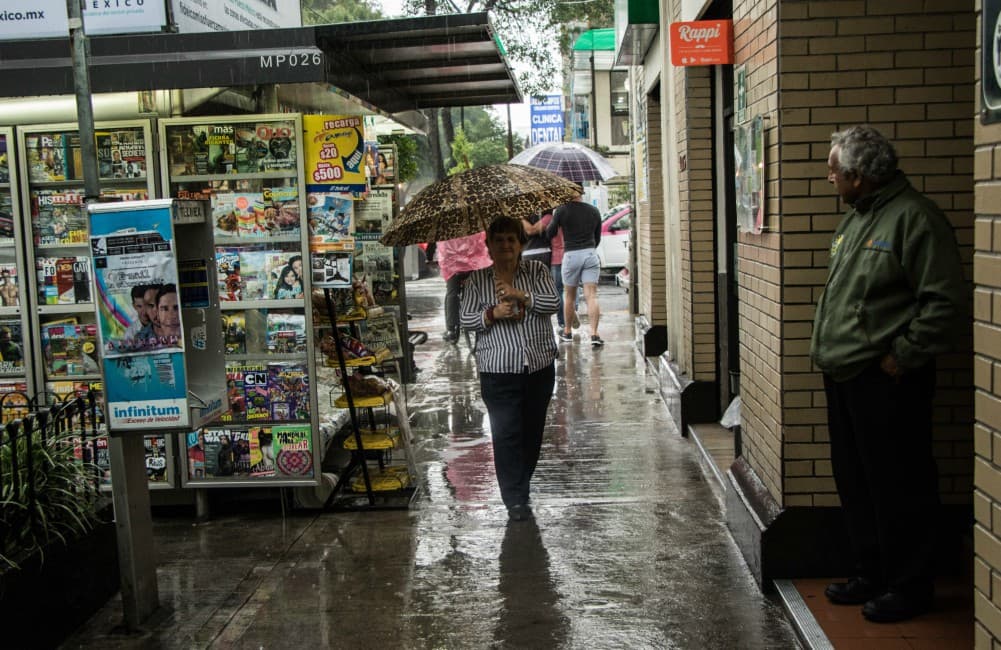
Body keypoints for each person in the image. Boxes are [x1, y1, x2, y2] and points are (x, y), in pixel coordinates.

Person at [810, 125, 966, 623]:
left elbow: (943, 303)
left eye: (834, 169)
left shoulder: (915, 219)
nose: (828, 175)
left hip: (887, 378)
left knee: (900, 482)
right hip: (846, 374)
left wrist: (903, 355)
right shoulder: (854, 220)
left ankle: (910, 584)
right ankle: (872, 571)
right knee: (857, 480)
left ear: (858, 177)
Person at [459, 217, 560, 520]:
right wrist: (493, 313)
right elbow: (466, 319)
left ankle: (521, 484)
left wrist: (522, 297)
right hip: (498, 368)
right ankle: (514, 499)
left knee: (531, 432)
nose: (505, 245)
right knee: (505, 434)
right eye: (499, 240)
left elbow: (553, 303)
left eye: (511, 240)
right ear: (488, 246)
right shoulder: (476, 280)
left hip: (538, 364)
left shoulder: (537, 271)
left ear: (521, 244)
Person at [546, 194, 603, 346]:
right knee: (591, 295)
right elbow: (598, 238)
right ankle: (595, 334)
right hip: (590, 253)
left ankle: (568, 332)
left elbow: (549, 233)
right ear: (581, 192)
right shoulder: (593, 211)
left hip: (571, 254)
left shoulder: (562, 210)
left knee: (569, 296)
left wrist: (555, 218)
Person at [523, 210, 578, 334]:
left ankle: (561, 319)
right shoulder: (550, 217)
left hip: (546, 255)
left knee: (545, 290)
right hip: (545, 254)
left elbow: (531, 231)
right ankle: (566, 315)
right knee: (551, 290)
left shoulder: (548, 217)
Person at [437, 232, 492, 343]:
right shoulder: (474, 225)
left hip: (454, 266)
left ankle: (451, 329)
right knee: (482, 286)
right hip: (474, 264)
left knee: (452, 292)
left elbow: (443, 249)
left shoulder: (446, 228)